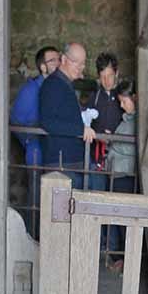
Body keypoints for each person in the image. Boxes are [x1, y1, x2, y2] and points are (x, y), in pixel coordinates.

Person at [39, 42, 102, 190]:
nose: (80, 67)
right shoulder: (53, 85)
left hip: (69, 161)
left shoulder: (64, 84)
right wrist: (81, 129)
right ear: (63, 59)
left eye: (83, 63)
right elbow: (48, 122)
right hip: (62, 163)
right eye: (76, 62)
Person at [10, 45, 60, 235]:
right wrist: (30, 141)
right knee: (37, 198)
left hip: (54, 154)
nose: (58, 63)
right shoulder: (31, 89)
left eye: (59, 59)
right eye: (53, 60)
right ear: (42, 67)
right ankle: (33, 238)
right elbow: (16, 120)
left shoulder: (57, 87)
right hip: (37, 153)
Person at [105, 78, 137, 271]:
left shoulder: (137, 122)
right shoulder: (127, 121)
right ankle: (123, 259)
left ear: (135, 98)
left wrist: (112, 141)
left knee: (125, 220)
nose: (121, 105)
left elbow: (134, 147)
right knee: (119, 219)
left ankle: (128, 261)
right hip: (119, 174)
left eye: (124, 101)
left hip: (126, 174)